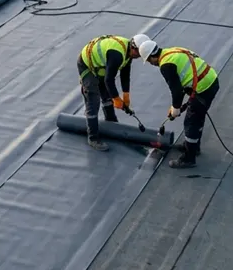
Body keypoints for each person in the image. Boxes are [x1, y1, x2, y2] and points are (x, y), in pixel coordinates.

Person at [138, 40, 219, 169]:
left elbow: (176, 90)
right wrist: (178, 106)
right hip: (210, 80)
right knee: (197, 117)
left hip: (204, 88)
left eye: (148, 61)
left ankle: (189, 158)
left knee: (191, 122)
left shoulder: (166, 65)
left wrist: (175, 108)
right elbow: (183, 83)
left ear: (151, 56)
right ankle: (193, 147)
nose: (151, 63)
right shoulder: (172, 51)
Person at [77, 33, 147, 151]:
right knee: (93, 100)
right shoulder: (117, 54)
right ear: (133, 47)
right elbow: (109, 80)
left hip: (101, 66)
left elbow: (125, 75)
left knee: (107, 94)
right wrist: (116, 99)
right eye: (138, 54)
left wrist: (126, 95)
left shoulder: (128, 53)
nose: (138, 57)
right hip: (87, 65)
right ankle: (93, 138)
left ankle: (111, 121)